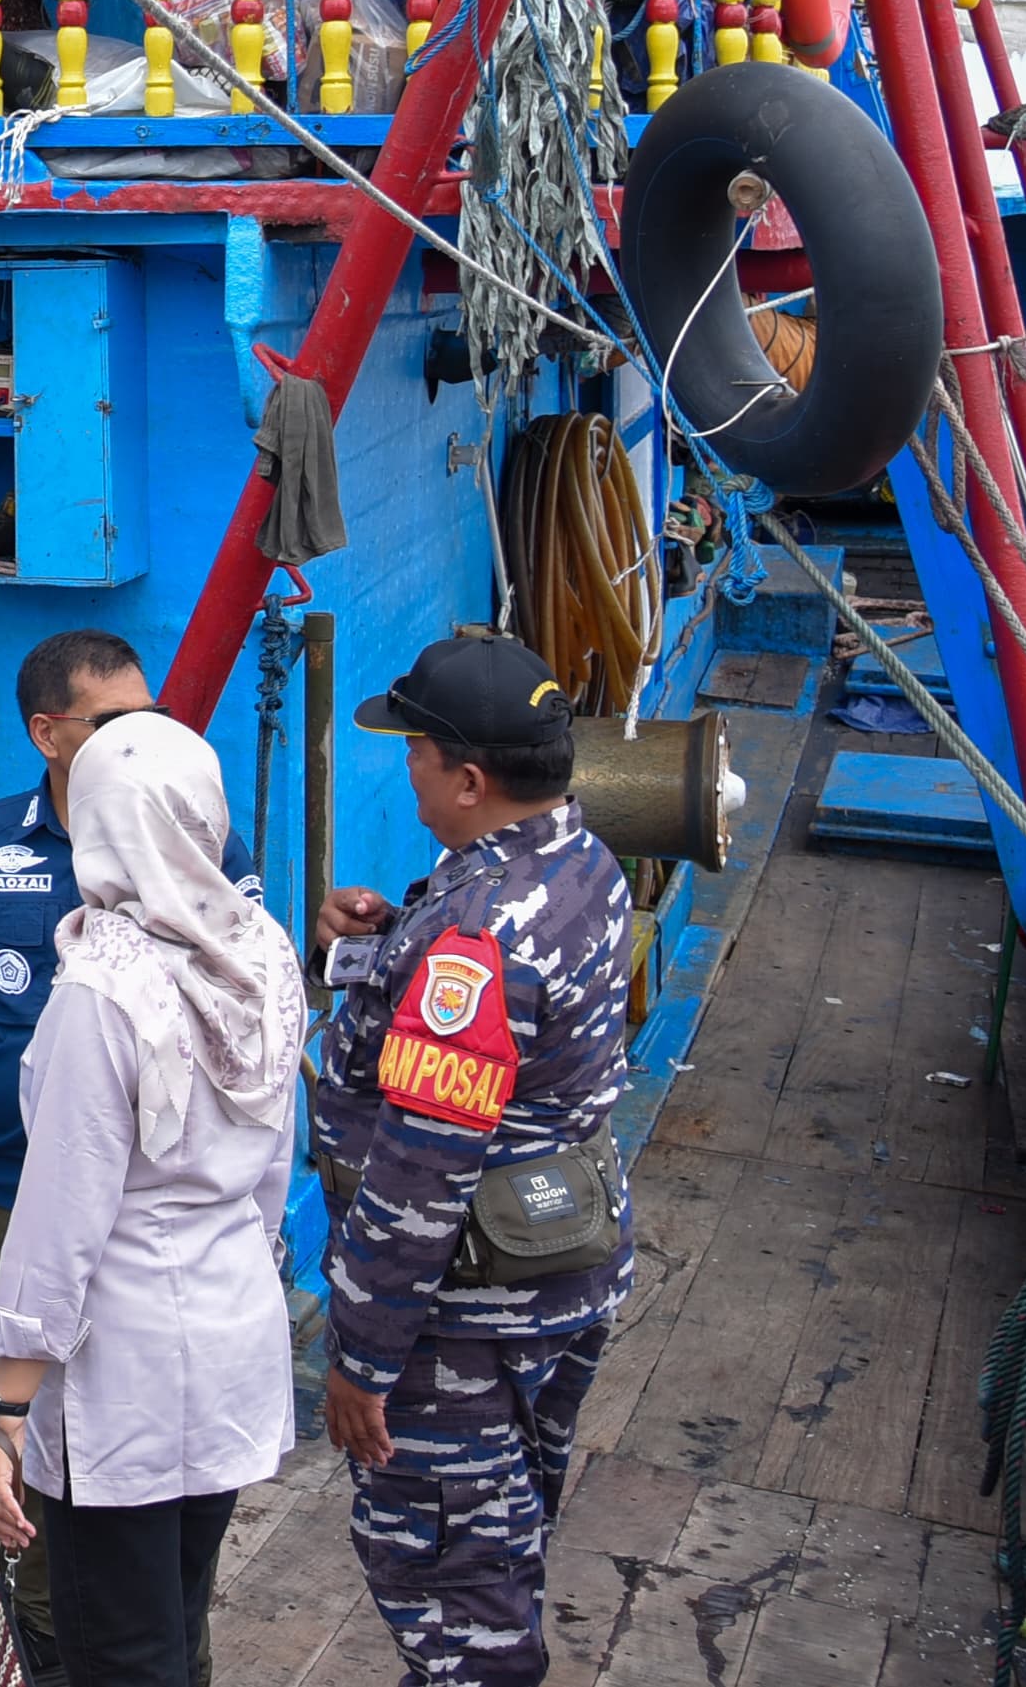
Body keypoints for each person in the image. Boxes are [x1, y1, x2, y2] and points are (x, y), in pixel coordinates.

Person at [0, 629, 264, 1678]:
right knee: (55, 1507)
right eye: (114, 721)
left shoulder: (203, 868)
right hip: (13, 1196)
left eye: (148, 716)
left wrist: (4, 1417)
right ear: (44, 732)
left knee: (104, 1510)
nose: (138, 739)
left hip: (132, 1242)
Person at [309, 633, 636, 1687]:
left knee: (449, 1574)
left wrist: (359, 1354)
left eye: (413, 749)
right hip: (559, 1273)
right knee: (501, 1528)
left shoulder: (473, 935)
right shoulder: (577, 861)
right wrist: (375, 941)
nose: (403, 766)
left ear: (466, 777)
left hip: (459, 1315)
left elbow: (421, 1169)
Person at [0, 714, 307, 1687]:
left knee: (115, 1651)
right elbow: (271, 1172)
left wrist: (4, 1411)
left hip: (124, 1380)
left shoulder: (101, 992)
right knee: (169, 1626)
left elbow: (54, 1229)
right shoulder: (262, 956)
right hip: (233, 1337)